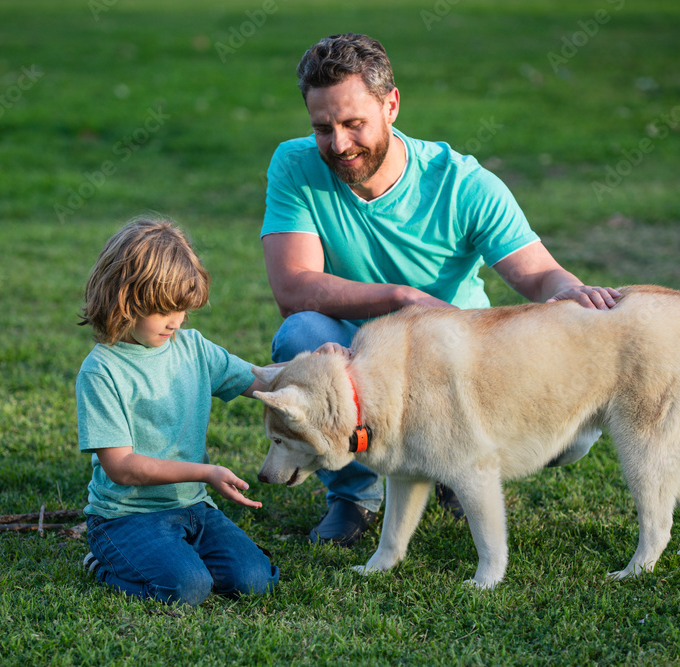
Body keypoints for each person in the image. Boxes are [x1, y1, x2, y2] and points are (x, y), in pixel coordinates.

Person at [260, 33, 621, 548]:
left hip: (458, 368)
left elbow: (541, 275)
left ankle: (453, 462)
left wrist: (574, 292)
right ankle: (355, 496)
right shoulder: (295, 166)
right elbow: (293, 289)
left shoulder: (463, 184)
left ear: (391, 105)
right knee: (301, 334)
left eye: (354, 123)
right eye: (323, 128)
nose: (338, 144)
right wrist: (403, 299)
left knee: (572, 442)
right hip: (355, 357)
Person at [76, 216, 281, 606]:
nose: (176, 321)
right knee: (186, 588)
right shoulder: (102, 371)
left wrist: (319, 367)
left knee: (256, 581)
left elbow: (261, 379)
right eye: (163, 310)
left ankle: (176, 556)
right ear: (124, 299)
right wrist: (205, 473)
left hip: (192, 507)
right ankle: (104, 564)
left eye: (182, 308)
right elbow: (122, 467)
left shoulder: (193, 348)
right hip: (126, 516)